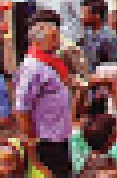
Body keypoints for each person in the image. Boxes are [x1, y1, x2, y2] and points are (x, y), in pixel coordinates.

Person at [13, 20, 73, 178]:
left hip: (59, 134)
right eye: (54, 37)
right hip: (46, 139)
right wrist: (32, 140)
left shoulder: (49, 61)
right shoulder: (33, 67)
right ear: (39, 42)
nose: (59, 40)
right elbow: (21, 107)